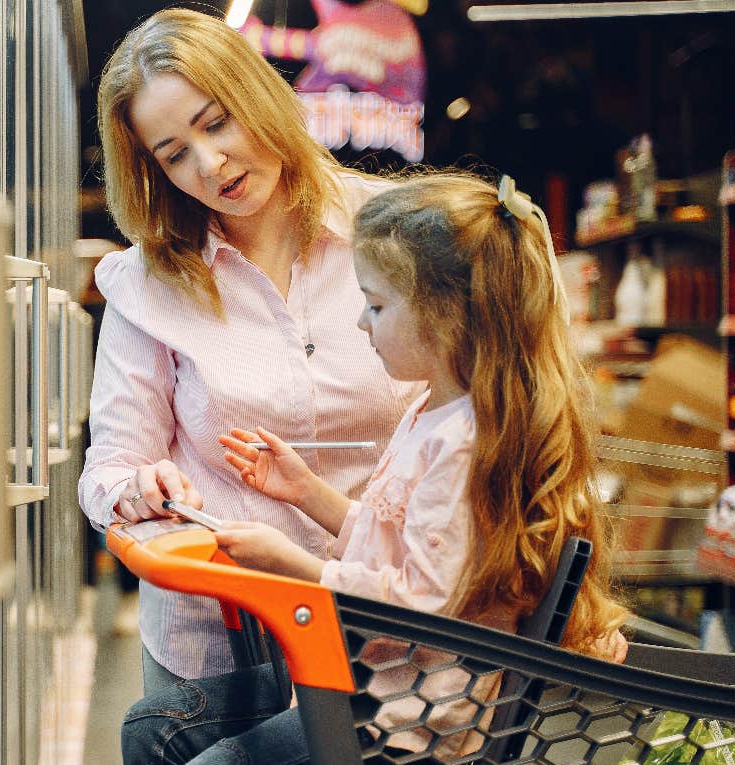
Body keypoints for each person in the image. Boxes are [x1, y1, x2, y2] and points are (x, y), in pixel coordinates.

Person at [120, 173, 630, 764]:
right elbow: (405, 539)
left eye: (378, 304)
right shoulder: (435, 410)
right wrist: (308, 493)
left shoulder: (466, 442)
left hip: (408, 725)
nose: (362, 323)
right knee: (153, 729)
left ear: (448, 317)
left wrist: (296, 566)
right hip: (379, 690)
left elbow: (420, 608)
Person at [78, 7, 422, 691]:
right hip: (220, 647)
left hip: (397, 633)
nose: (210, 164)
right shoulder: (150, 284)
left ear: (257, 94)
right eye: (174, 154)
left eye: (216, 123)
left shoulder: (394, 232)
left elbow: (471, 422)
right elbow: (108, 469)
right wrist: (138, 489)